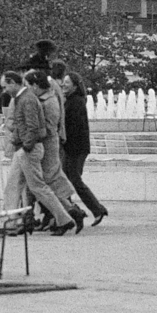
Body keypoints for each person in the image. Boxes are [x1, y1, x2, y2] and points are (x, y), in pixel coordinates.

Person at [1, 71, 76, 236]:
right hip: (25, 148)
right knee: (14, 186)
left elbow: (34, 127)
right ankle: (12, 222)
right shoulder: (26, 98)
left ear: (13, 83)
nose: (4, 90)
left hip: (28, 149)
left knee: (37, 187)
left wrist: (25, 146)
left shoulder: (27, 99)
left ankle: (65, 219)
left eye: (5, 86)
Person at [28, 69, 86, 233]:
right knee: (42, 184)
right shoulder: (42, 97)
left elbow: (50, 127)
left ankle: (68, 213)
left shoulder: (50, 99)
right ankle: (63, 214)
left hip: (46, 145)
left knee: (45, 183)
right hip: (42, 144)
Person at [51, 59, 108, 225]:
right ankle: (73, 211)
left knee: (73, 180)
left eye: (67, 83)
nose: (64, 85)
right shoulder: (71, 100)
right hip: (74, 148)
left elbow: (74, 128)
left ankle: (94, 209)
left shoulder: (76, 102)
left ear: (75, 85)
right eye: (64, 82)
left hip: (75, 148)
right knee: (68, 180)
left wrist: (64, 142)